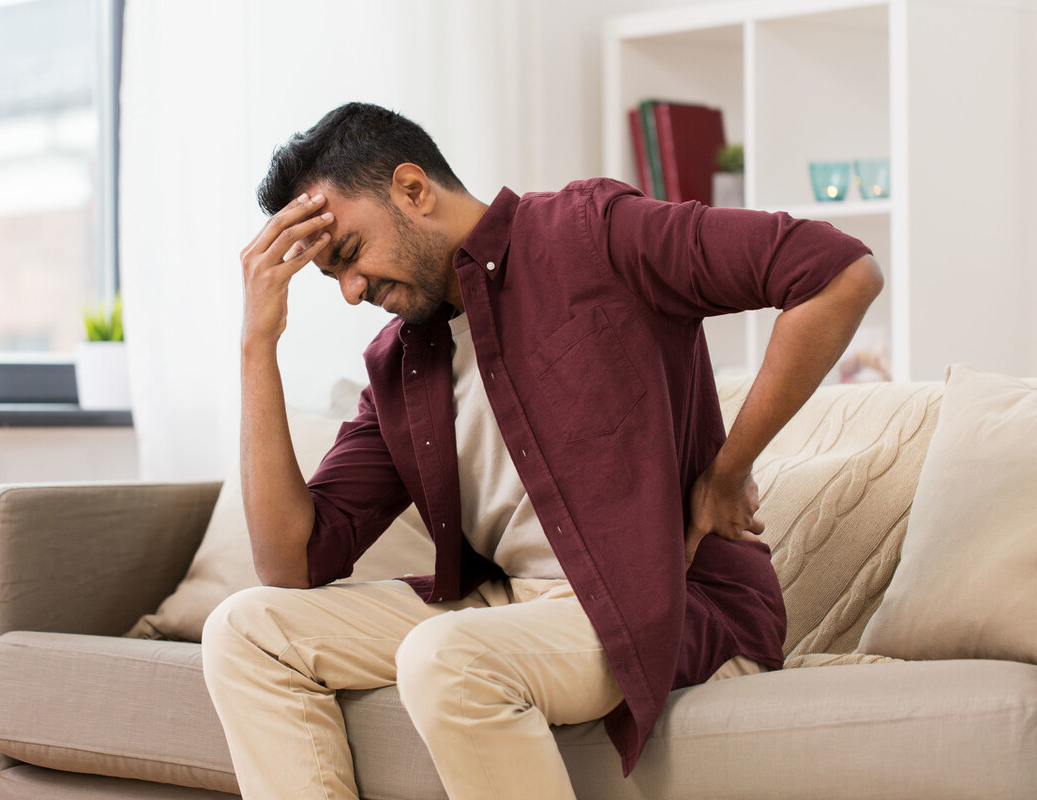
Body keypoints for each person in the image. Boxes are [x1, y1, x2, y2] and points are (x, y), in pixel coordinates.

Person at [201, 101, 882, 800]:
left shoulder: (594, 234)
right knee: (247, 630)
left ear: (413, 189)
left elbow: (836, 271)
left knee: (446, 657)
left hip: (666, 600)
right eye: (330, 278)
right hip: (513, 610)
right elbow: (289, 563)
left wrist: (728, 470)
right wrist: (257, 344)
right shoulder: (402, 363)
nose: (350, 291)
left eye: (348, 254)